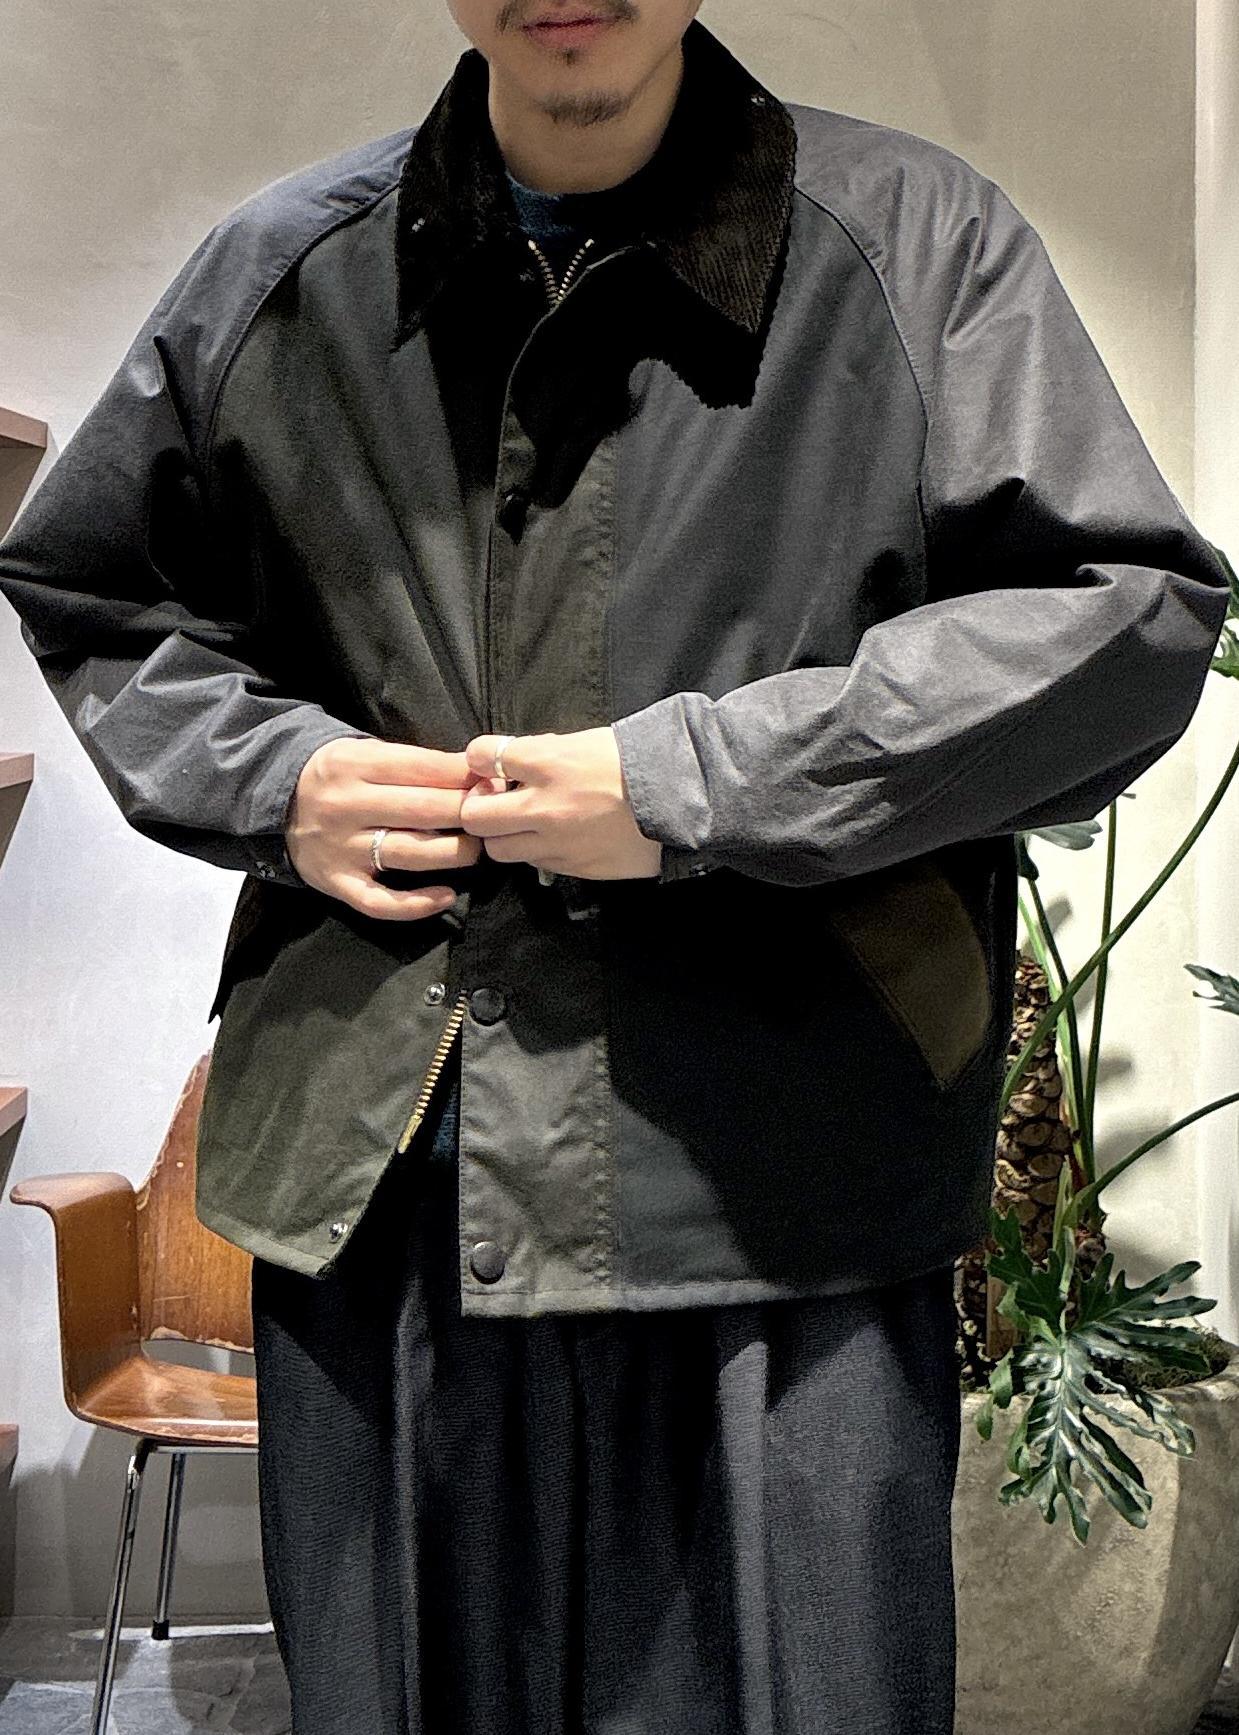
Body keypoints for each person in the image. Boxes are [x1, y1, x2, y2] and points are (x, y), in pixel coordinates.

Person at [0, 3, 1229, 1731]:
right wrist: (284, 781)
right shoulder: (287, 273)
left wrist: (689, 781)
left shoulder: (914, 246)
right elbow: (100, 593)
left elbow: (1122, 621)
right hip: (391, 1189)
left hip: (788, 1185)